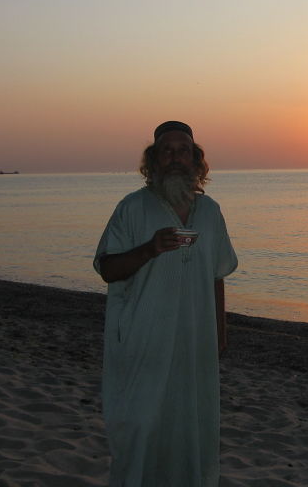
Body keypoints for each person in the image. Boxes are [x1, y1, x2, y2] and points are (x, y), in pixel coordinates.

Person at [93, 120, 238, 486]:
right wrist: (150, 248)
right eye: (167, 151)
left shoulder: (211, 213)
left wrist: (219, 334)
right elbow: (108, 268)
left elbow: (217, 275)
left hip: (195, 341)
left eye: (183, 151)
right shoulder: (132, 208)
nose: (175, 158)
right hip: (145, 337)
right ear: (154, 161)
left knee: (192, 423)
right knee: (141, 424)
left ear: (196, 161)